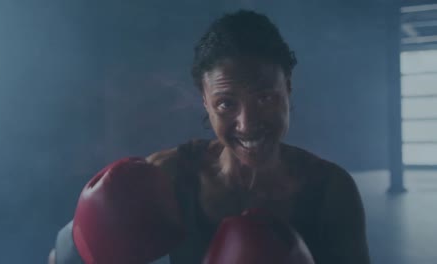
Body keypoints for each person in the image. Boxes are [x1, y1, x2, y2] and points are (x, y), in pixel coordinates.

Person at [49, 10, 370, 264]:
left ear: (287, 88)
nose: (247, 123)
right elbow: (63, 258)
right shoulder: (170, 175)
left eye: (264, 98)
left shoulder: (330, 190)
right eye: (226, 104)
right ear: (205, 101)